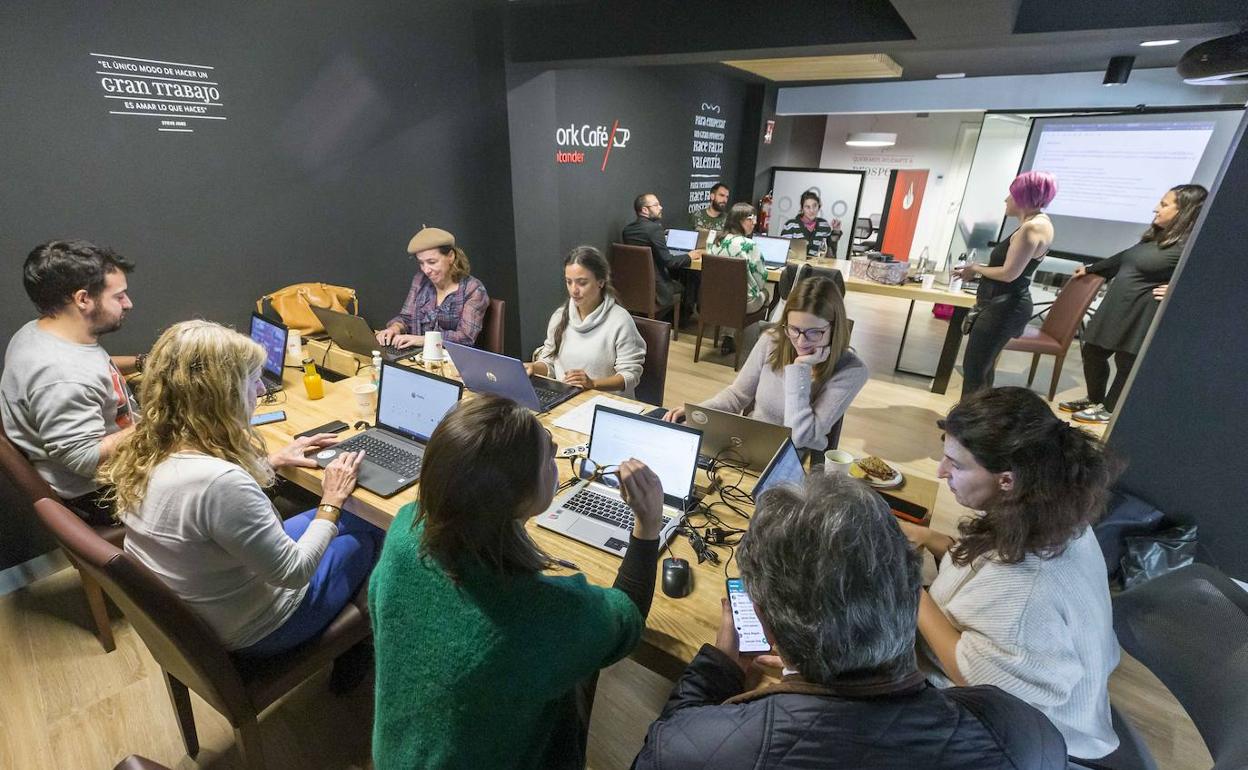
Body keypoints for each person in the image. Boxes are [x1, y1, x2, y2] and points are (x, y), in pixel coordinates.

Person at [632, 473, 1069, 769]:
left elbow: (661, 748)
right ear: (908, 587)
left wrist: (720, 667)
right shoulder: (1019, 731)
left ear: (762, 622)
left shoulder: (700, 747)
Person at [369, 396, 665, 769]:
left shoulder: (404, 529)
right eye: (546, 456)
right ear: (514, 498)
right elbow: (628, 617)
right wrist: (648, 524)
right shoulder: (544, 614)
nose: (554, 448)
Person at [102, 320, 384, 658]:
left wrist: (274, 461)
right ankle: (360, 649)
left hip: (215, 608)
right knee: (376, 530)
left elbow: (205, 507)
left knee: (350, 517)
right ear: (222, 395)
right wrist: (331, 499)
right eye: (252, 382)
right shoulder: (219, 482)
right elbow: (293, 573)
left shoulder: (151, 445)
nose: (262, 392)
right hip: (266, 627)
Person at [901, 386, 1121, 762]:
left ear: (1006, 480)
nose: (941, 472)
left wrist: (908, 589)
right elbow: (989, 568)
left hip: (1022, 740)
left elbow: (974, 675)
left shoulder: (1028, 590)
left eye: (956, 464)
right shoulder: (1054, 515)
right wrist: (931, 538)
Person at [1, 240, 141, 525]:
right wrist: (163, 420)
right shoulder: (61, 376)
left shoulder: (39, 332)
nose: (128, 303)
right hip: (103, 496)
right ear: (83, 299)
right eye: (119, 296)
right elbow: (84, 459)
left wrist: (142, 363)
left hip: (96, 477)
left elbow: (88, 370)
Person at [664, 275, 867, 452]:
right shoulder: (773, 339)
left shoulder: (851, 370)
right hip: (750, 445)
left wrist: (800, 370)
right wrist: (697, 411)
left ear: (834, 328)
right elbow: (737, 396)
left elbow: (800, 437)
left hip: (796, 458)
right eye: (794, 329)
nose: (801, 341)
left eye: (815, 332)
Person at [1060, 184, 1208, 424]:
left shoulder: (1190, 245)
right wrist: (1090, 269)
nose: (1155, 209)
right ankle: (1095, 399)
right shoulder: (1156, 237)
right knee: (1092, 352)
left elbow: (1207, 278)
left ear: (1185, 211)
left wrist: (1177, 289)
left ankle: (1109, 409)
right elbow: (1122, 259)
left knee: (1126, 361)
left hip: (1142, 311)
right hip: (1118, 307)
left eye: (1164, 204)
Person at [958, 171, 1057, 397]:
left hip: (1005, 306)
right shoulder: (1039, 224)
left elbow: (1009, 274)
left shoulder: (1031, 228)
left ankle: (967, 426)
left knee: (975, 370)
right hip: (1004, 305)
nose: (1006, 200)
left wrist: (975, 269)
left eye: (1011, 195)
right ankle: (974, 421)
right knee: (982, 368)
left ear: (1023, 197)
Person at [526, 246, 646, 397]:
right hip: (567, 400)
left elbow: (630, 375)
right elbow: (549, 361)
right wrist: (534, 367)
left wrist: (593, 384)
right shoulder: (560, 316)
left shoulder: (620, 321)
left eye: (582, 283)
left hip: (605, 404)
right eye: (569, 282)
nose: (573, 290)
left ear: (601, 282)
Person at [375, 226, 490, 349]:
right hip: (418, 358)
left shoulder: (473, 289)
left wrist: (424, 340)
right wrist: (395, 328)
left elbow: (465, 338)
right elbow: (406, 318)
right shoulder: (420, 280)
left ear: (451, 256)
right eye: (421, 263)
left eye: (432, 262)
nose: (426, 270)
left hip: (453, 363)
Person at [621, 192, 691, 311]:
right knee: (683, 287)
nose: (661, 207)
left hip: (634, 286)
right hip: (656, 289)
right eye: (656, 205)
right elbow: (669, 262)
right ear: (644, 210)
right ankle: (675, 324)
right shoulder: (654, 229)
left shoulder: (627, 230)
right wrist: (690, 256)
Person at [779, 191, 840, 258]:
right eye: (807, 207)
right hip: (795, 266)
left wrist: (836, 231)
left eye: (814, 206)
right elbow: (782, 251)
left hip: (818, 267)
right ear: (802, 209)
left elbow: (831, 255)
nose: (812, 210)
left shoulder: (824, 225)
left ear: (819, 207)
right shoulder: (790, 225)